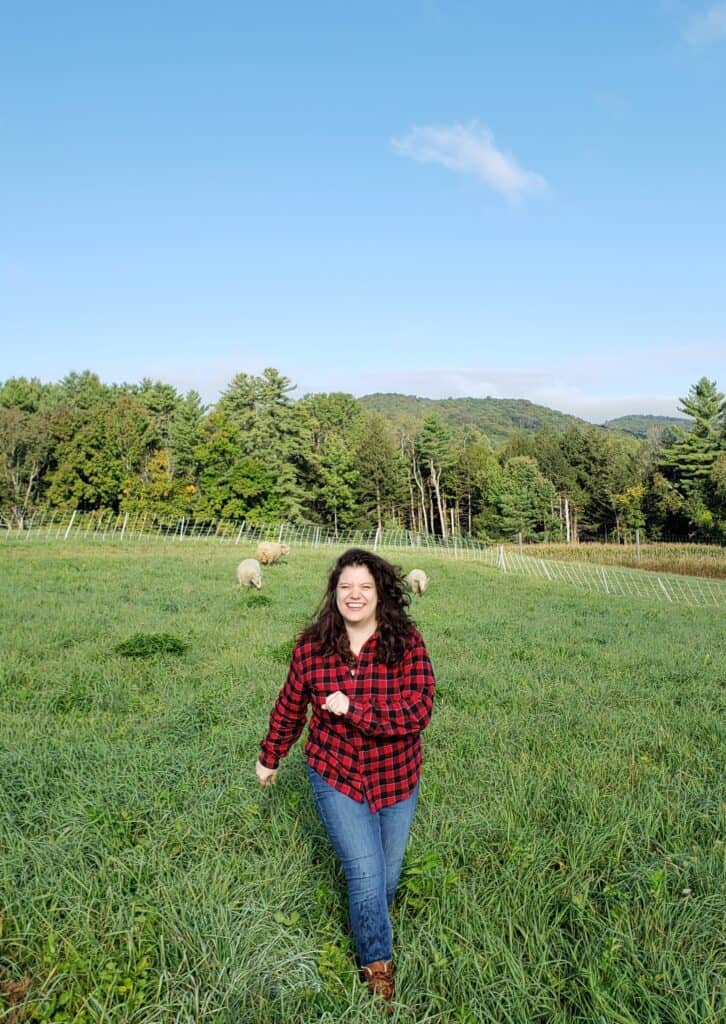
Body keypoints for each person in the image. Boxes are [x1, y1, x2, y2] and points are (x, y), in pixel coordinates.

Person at [255, 547, 435, 1006]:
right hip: (336, 774)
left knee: (387, 878)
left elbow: (419, 710)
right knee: (366, 873)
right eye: (345, 587)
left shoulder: (406, 642)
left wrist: (356, 710)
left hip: (396, 777)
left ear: (380, 594)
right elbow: (290, 706)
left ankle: (372, 914)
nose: (354, 596)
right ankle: (378, 966)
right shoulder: (312, 648)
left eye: (365, 587)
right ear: (334, 593)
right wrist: (270, 756)